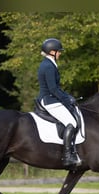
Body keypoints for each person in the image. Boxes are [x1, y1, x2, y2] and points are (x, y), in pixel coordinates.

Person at [36, 38, 82, 168]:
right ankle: (67, 156)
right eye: (58, 51)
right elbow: (53, 89)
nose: (60, 53)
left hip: (51, 98)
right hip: (49, 100)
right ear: (52, 52)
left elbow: (57, 88)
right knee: (72, 123)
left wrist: (68, 97)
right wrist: (68, 100)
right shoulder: (48, 66)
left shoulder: (49, 63)